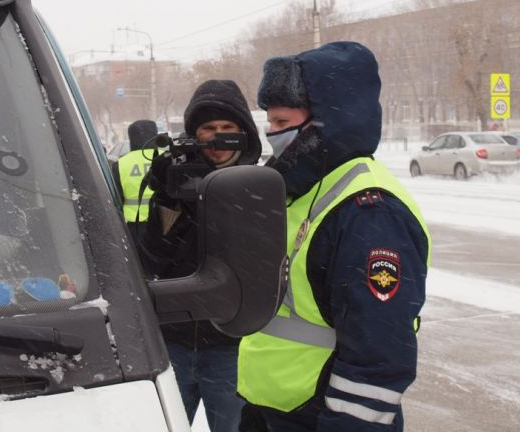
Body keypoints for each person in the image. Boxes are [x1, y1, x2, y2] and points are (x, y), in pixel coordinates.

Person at [238, 42, 431, 432]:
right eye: (269, 122)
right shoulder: (304, 189)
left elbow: (379, 352)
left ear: (325, 121)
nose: (271, 135)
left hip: (323, 415)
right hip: (275, 408)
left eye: (280, 122)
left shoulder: (369, 210)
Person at [138, 79, 262, 432]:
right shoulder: (175, 182)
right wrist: (167, 197)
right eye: (208, 129)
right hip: (174, 342)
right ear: (194, 134)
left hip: (233, 347)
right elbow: (153, 258)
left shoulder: (263, 184)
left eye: (227, 128)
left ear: (245, 133)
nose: (218, 138)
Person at [111, 119, 158, 243]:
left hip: (134, 225)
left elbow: (116, 199)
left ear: (132, 138)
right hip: (165, 221)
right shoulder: (167, 158)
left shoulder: (121, 164)